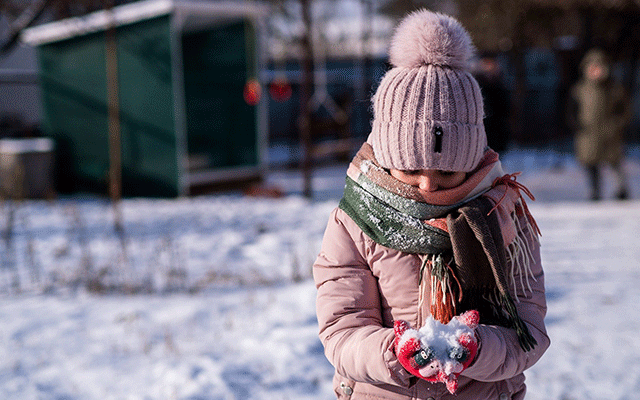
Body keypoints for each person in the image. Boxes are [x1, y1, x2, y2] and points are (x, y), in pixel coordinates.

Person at [313, 10, 550, 400]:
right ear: (388, 158)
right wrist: (393, 353)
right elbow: (342, 329)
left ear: (473, 161)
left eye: (447, 175)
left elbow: (528, 333)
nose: (427, 186)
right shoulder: (353, 221)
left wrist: (476, 349)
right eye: (410, 170)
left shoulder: (505, 215)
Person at [569, 48, 632, 201]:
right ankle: (594, 191)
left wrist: (617, 124)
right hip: (588, 134)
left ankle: (621, 189)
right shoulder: (580, 89)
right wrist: (577, 124)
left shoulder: (614, 88)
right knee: (591, 164)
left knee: (615, 162)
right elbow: (571, 110)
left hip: (610, 132)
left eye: (599, 68)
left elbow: (625, 110)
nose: (596, 71)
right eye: (592, 68)